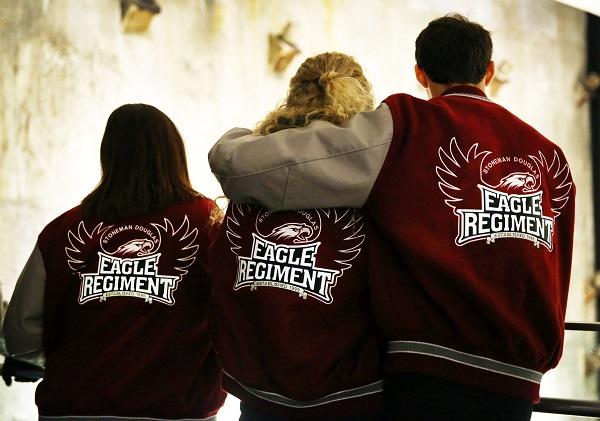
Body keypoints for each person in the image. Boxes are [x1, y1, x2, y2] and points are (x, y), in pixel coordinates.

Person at [208, 14, 576, 421]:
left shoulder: (409, 127)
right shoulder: (549, 155)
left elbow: (265, 168)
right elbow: (560, 264)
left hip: (425, 368)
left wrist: (235, 142)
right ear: (489, 70)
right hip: (518, 381)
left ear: (420, 73)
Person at [2, 104, 226, 420]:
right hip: (177, 411)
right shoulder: (210, 223)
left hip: (73, 409)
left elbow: (20, 335)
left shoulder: (62, 230)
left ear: (108, 155)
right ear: (175, 153)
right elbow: (238, 316)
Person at [208, 52, 384, 420]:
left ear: (294, 95)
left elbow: (224, 279)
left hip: (261, 394)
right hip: (351, 395)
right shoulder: (377, 184)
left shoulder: (248, 180)